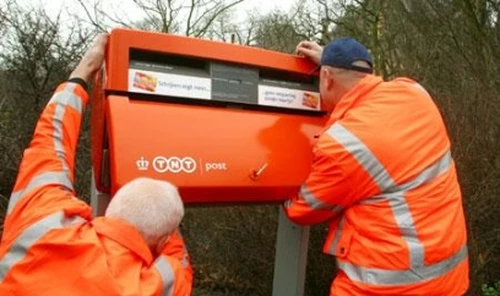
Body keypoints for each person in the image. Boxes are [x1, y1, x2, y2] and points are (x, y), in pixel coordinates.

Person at [0, 34, 193, 296]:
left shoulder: (40, 222)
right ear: (160, 241)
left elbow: (50, 142)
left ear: (112, 209)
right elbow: (178, 260)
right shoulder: (159, 285)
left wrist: (81, 74)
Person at [284, 37, 469, 295]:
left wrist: (276, 188)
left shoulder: (343, 143)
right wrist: (333, 56)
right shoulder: (415, 93)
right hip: (449, 282)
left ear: (325, 77)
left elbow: (303, 210)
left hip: (387, 289)